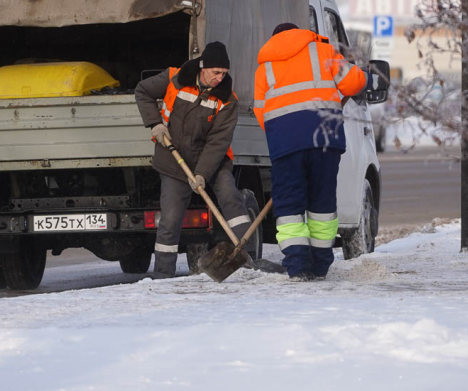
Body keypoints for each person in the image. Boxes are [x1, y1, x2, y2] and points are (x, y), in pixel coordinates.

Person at [253, 23, 367, 281]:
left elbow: (261, 112)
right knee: (322, 202)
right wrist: (366, 76)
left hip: (285, 144)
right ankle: (320, 266)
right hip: (325, 139)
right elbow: (354, 82)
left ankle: (297, 266)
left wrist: (283, 135)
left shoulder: (264, 67)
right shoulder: (322, 51)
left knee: (289, 205)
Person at [135, 41, 253, 278]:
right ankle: (163, 275)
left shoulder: (228, 100)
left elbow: (218, 142)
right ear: (202, 67)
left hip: (213, 161)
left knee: (231, 198)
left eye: (224, 73)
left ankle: (249, 261)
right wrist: (155, 124)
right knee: (169, 219)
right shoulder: (174, 78)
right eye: (215, 72)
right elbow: (143, 91)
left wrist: (202, 174)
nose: (219, 78)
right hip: (173, 160)